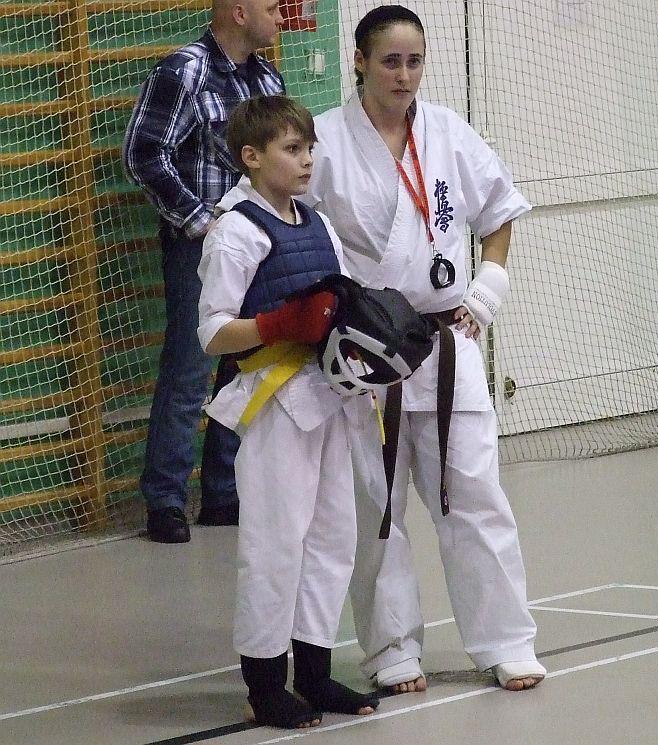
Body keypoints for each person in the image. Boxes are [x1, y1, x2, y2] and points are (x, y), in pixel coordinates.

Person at [304, 5, 547, 693]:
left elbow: (499, 212)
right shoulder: (324, 141)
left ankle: (506, 640)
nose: (403, 75)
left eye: (414, 61)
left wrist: (488, 288)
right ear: (359, 61)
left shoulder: (446, 132)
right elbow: (272, 213)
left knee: (475, 493)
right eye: (390, 61)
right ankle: (391, 650)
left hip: (444, 343)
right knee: (375, 505)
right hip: (363, 353)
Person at [196, 94, 380, 728]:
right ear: (252, 157)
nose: (307, 160)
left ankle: (316, 673)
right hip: (273, 399)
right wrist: (278, 324)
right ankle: (265, 682)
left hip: (329, 394)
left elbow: (338, 301)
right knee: (275, 543)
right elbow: (212, 332)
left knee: (332, 538)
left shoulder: (317, 223)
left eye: (309, 148)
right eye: (292, 149)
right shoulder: (235, 231)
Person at [122, 0, 286, 542]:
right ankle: (166, 500)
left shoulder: (267, 78)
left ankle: (224, 492)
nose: (282, 16)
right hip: (199, 247)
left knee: (243, 366)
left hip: (255, 246)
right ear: (239, 12)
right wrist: (201, 222)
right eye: (272, 7)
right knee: (189, 371)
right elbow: (144, 154)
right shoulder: (184, 70)